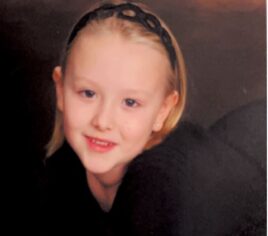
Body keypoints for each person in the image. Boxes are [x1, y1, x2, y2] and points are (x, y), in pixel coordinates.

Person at [42, 1, 265, 235]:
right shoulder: (61, 172)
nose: (102, 121)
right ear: (60, 90)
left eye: (130, 102)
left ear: (163, 111)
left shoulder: (163, 193)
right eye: (88, 93)